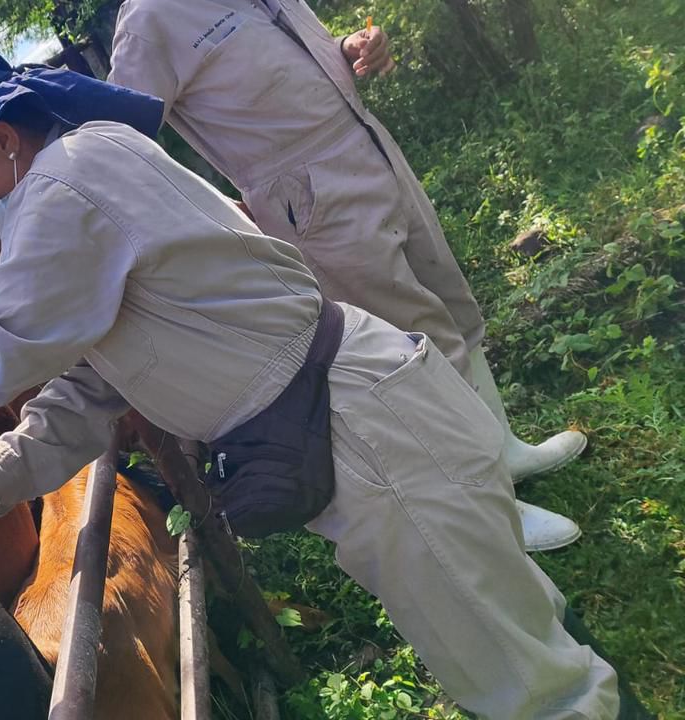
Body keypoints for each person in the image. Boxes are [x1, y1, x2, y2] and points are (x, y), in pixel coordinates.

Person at [0, 45, 640, 719]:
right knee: (501, 612)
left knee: (518, 675)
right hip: (355, 412)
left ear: (1, 142)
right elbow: (92, 387)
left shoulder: (67, 190)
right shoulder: (89, 168)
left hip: (362, 430)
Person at [104, 0, 586, 551]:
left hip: (364, 141)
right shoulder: (149, 21)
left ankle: (504, 450)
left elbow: (289, 65)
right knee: (415, 343)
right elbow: (126, 143)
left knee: (449, 300)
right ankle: (492, 510)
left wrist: (346, 50)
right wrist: (218, 205)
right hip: (305, 190)